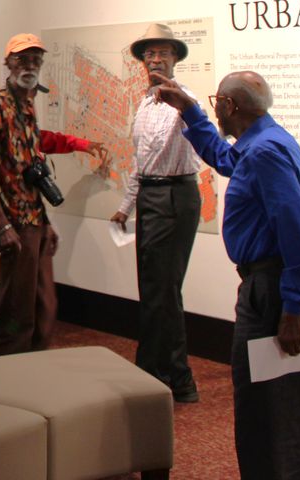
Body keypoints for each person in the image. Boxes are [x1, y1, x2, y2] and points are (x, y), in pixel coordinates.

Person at [150, 70, 300, 479]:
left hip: (276, 291)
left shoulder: (264, 152)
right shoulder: (264, 142)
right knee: (272, 407)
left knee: (272, 411)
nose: (216, 110)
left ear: (230, 106)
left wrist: (294, 309)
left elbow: (298, 232)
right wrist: (192, 112)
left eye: (215, 104)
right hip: (273, 286)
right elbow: (227, 160)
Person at [0, 33, 108, 355]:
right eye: (22, 58)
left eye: (35, 59)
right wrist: (3, 224)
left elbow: (36, 145)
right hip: (14, 218)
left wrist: (82, 144)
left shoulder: (27, 103)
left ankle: (31, 358)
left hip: (34, 214)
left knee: (44, 301)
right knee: (18, 302)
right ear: (8, 62)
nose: (30, 64)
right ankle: (11, 360)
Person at [109, 23, 203, 403]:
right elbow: (142, 161)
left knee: (162, 291)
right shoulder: (146, 104)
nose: (155, 58)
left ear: (176, 58)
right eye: (149, 53)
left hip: (175, 197)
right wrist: (125, 206)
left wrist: (177, 100)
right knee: (155, 290)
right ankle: (169, 376)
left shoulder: (184, 101)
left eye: (163, 52)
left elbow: (171, 152)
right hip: (152, 196)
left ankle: (164, 376)